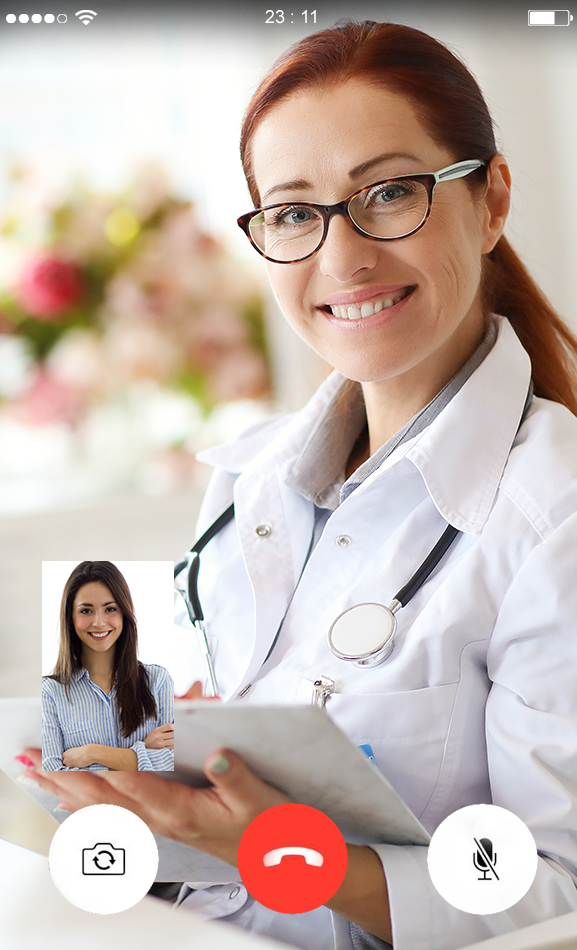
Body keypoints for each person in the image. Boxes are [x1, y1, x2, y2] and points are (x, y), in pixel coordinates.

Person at [23, 19, 577, 950]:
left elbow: (555, 899)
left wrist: (278, 850)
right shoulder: (248, 479)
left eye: (388, 194)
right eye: (292, 214)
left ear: (490, 201)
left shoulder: (554, 515)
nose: (342, 257)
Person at [41, 560, 174, 771]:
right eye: (86, 611)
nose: (99, 622)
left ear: (124, 613)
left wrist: (93, 753)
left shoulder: (158, 681)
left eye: (110, 609)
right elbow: (53, 773)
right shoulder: (50, 692)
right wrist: (141, 754)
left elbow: (174, 764)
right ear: (70, 618)